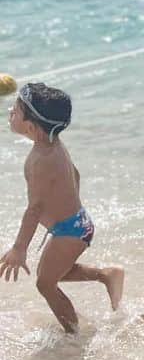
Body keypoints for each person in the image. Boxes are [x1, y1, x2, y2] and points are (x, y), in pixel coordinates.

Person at [1, 82, 124, 332]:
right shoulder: (54, 145)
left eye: (15, 110)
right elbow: (75, 175)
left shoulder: (41, 161)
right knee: (57, 273)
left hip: (69, 231)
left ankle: (74, 337)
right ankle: (106, 274)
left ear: (31, 127)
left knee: (45, 285)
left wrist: (19, 248)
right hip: (77, 223)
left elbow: (34, 209)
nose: (9, 113)